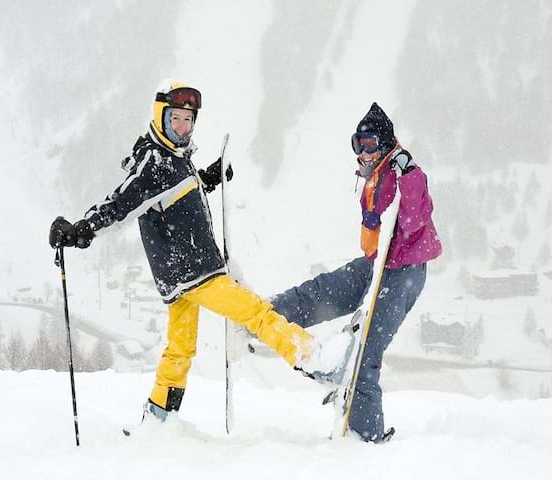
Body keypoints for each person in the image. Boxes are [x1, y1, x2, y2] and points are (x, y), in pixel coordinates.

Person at [48, 80, 349, 423]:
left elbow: (176, 195)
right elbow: (120, 204)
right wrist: (80, 229)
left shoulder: (175, 158)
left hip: (178, 277)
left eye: (188, 120)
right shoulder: (154, 162)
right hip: (195, 271)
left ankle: (159, 415)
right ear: (161, 117)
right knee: (256, 313)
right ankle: (315, 359)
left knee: (180, 348)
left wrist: (208, 177)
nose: (182, 127)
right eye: (175, 118)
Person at [269, 102, 442, 442]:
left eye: (370, 144)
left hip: (403, 272)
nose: (363, 153)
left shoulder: (406, 173)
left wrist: (409, 174)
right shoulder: (373, 175)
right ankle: (265, 315)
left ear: (386, 143)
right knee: (321, 291)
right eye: (358, 144)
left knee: (364, 351)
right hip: (377, 263)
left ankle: (365, 436)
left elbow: (412, 220)